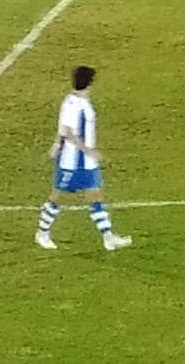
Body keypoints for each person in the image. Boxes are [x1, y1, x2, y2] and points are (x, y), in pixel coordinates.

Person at [36, 65, 132, 252]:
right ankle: (42, 232)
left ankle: (108, 236)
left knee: (95, 195)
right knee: (58, 197)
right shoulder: (72, 103)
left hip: (87, 162)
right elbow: (68, 132)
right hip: (72, 161)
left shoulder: (81, 101)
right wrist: (88, 150)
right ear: (89, 83)